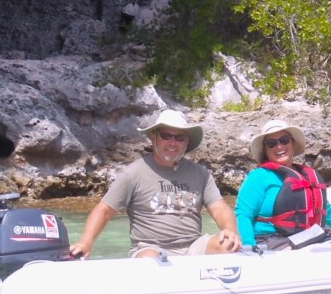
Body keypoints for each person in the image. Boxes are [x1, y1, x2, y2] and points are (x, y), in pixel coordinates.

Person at [69, 110, 241, 258]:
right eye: (166, 136)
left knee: (228, 244)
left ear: (186, 142)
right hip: (150, 247)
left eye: (179, 138)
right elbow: (105, 210)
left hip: (193, 245)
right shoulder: (133, 173)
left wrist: (230, 230)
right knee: (149, 259)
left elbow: (220, 208)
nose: (172, 143)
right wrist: (86, 242)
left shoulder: (200, 173)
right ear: (154, 138)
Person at [235, 119, 331, 248]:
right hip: (269, 241)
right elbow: (243, 214)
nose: (279, 146)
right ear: (265, 150)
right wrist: (250, 247)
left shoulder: (306, 177)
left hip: (304, 239)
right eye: (271, 143)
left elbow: (330, 214)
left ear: (292, 143)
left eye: (284, 140)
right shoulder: (258, 177)